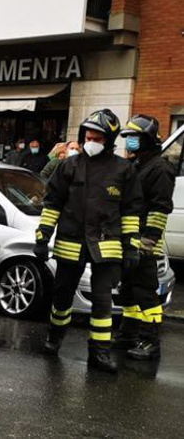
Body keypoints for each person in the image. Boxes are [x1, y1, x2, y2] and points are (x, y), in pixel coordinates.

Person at [34, 109, 142, 373]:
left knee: (103, 300)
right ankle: (54, 339)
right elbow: (52, 204)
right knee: (62, 297)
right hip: (71, 243)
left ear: (109, 140)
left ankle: (99, 352)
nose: (90, 142)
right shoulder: (68, 166)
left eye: (97, 138)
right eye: (88, 137)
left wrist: (132, 247)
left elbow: (130, 212)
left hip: (107, 245)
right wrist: (42, 237)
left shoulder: (123, 170)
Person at [113, 115, 175, 361]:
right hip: (129, 239)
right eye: (128, 137)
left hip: (144, 243)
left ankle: (150, 341)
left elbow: (160, 209)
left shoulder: (160, 168)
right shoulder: (139, 165)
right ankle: (128, 335)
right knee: (129, 290)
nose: (129, 141)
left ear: (147, 139)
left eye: (134, 137)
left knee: (145, 291)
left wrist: (148, 243)